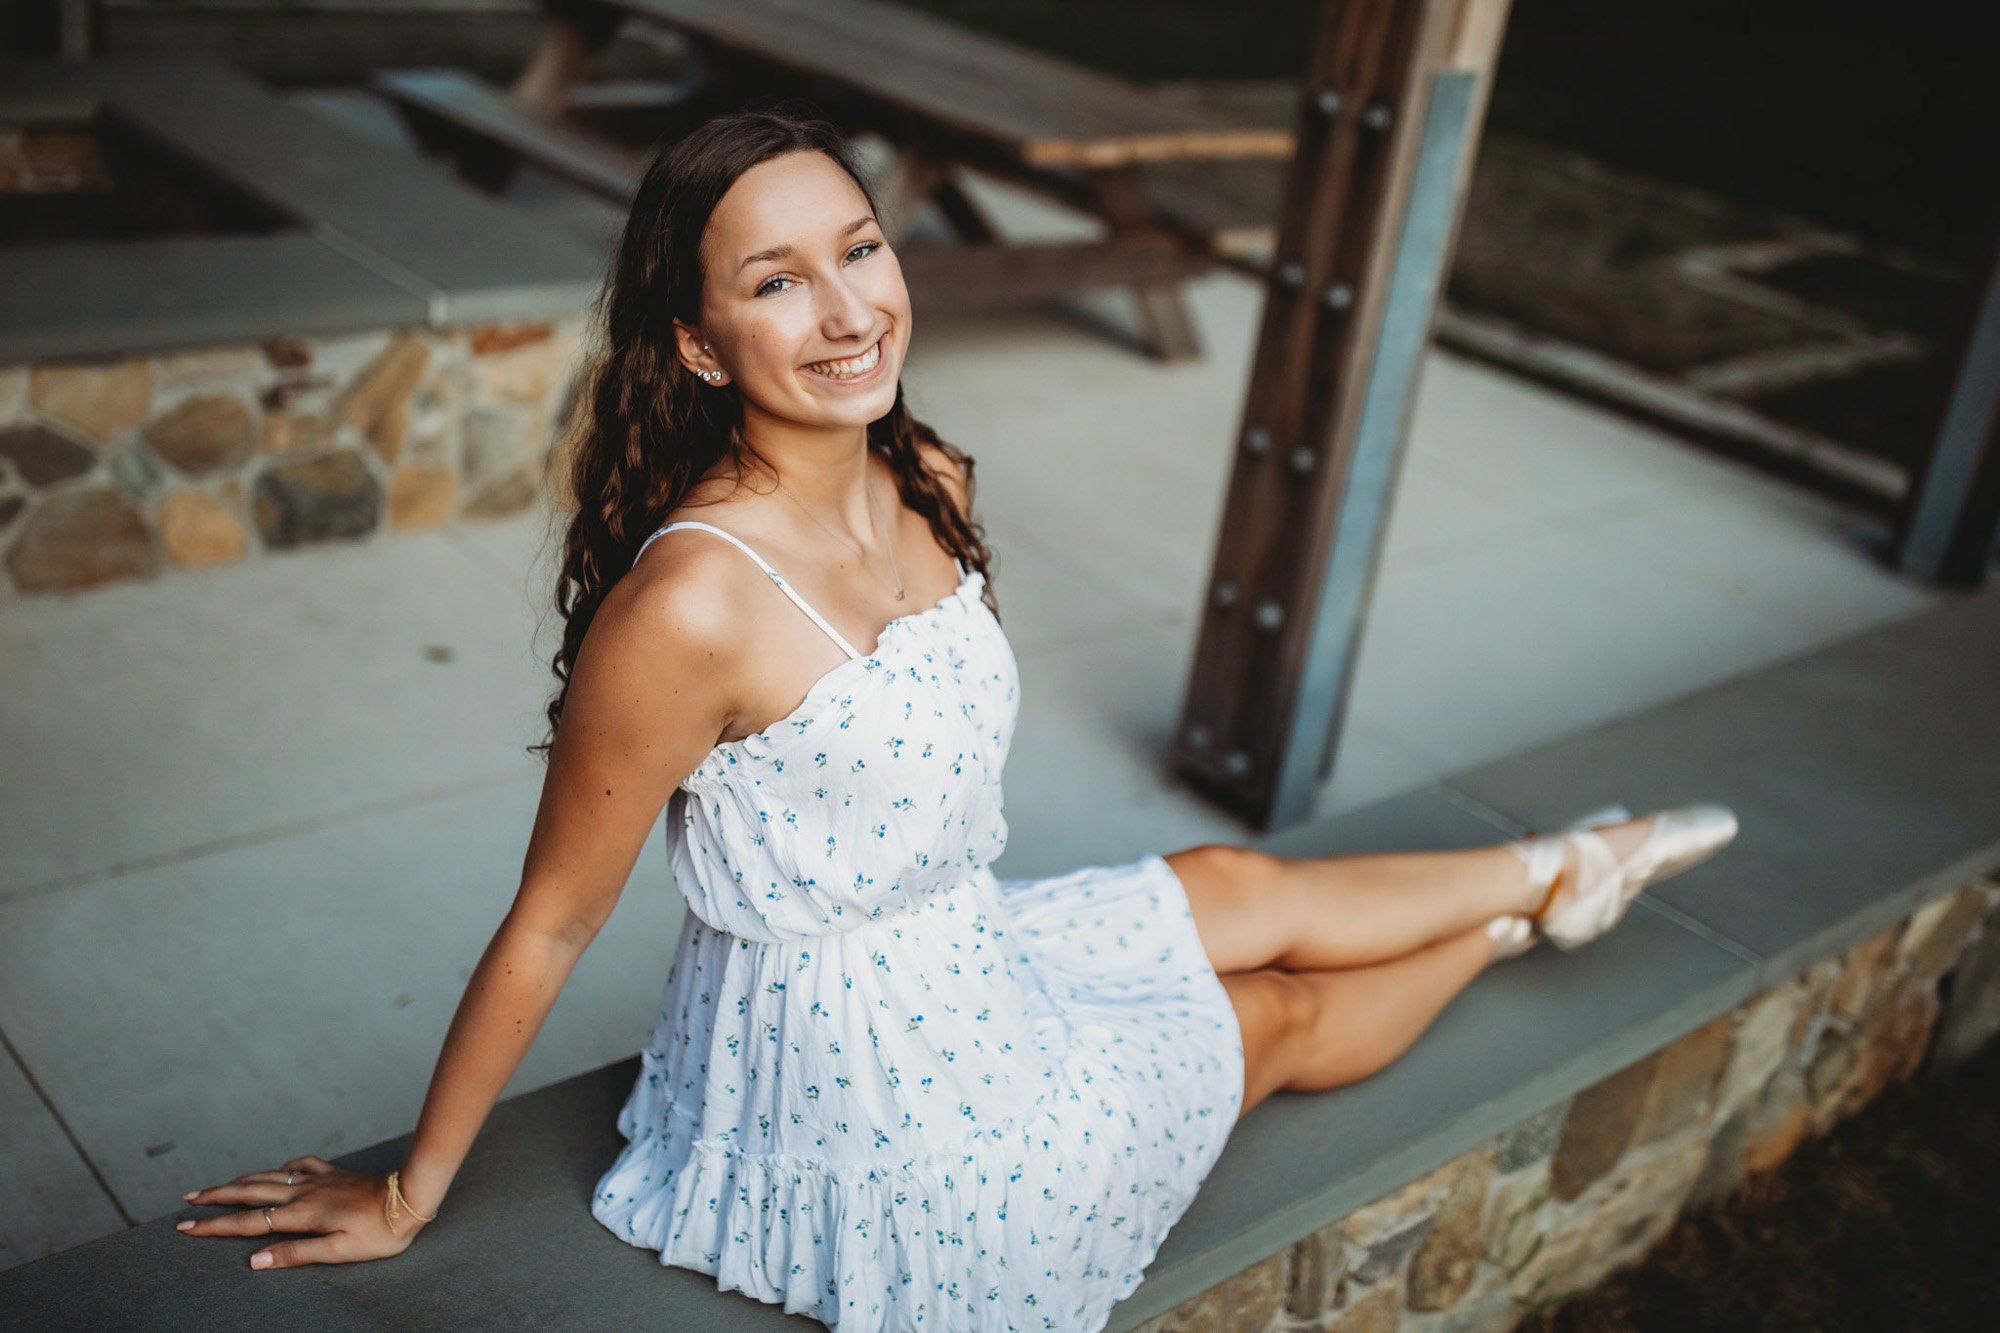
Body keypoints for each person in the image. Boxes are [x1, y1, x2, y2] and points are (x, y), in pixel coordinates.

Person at [175, 108, 1739, 1331]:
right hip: (867, 1100)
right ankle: (1521, 927)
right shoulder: (692, 611)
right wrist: (409, 1188)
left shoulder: (933, 478)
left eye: (860, 249)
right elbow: (546, 924)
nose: (849, 308)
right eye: (777, 280)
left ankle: (1561, 861)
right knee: (1266, 1013)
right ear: (700, 345)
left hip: (963, 951)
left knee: (1230, 886)